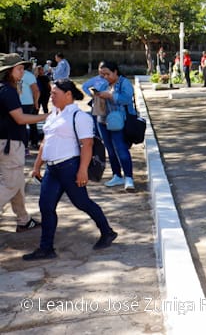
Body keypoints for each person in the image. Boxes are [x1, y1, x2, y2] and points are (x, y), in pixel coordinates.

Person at [22, 79, 117, 260]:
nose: (51, 96)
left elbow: (87, 145)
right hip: (52, 170)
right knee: (46, 206)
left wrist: (82, 170)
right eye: (51, 93)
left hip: (70, 167)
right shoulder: (52, 115)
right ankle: (46, 248)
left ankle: (107, 232)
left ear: (68, 95)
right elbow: (45, 142)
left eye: (54, 93)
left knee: (82, 203)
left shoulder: (79, 116)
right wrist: (36, 166)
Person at [0, 53, 48, 233]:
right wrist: (47, 117)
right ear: (9, 71)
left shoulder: (4, 89)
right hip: (9, 144)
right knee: (11, 183)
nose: (22, 72)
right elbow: (20, 119)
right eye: (19, 69)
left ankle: (23, 220)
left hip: (6, 142)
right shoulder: (7, 91)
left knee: (17, 181)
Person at [93, 61, 138, 192]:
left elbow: (127, 98)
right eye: (102, 74)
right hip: (102, 119)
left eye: (107, 74)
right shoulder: (102, 83)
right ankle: (116, 175)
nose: (105, 77)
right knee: (110, 149)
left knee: (121, 148)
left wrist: (110, 96)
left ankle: (129, 177)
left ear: (115, 72)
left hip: (118, 121)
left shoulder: (124, 83)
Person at [19, 63, 40, 150]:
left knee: (30, 123)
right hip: (16, 103)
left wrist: (36, 102)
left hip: (27, 103)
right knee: (21, 125)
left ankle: (32, 143)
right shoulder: (12, 74)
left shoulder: (29, 75)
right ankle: (23, 145)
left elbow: (36, 90)